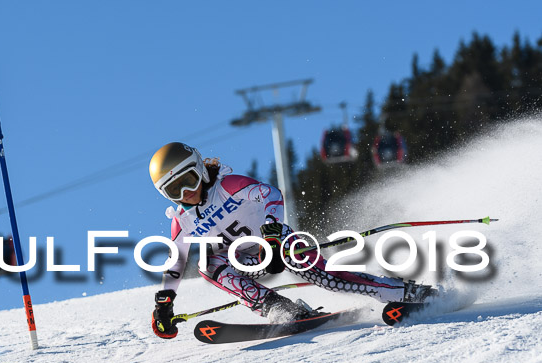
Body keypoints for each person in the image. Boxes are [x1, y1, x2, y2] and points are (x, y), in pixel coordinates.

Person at [148, 142, 434, 339]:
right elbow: (177, 260)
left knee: (327, 279)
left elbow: (271, 194)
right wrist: (165, 301)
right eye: (174, 190)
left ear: (199, 168)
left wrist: (272, 235)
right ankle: (279, 308)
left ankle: (406, 292)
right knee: (207, 264)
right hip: (244, 260)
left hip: (275, 242)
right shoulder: (183, 221)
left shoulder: (228, 186)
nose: (186, 192)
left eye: (189, 179)